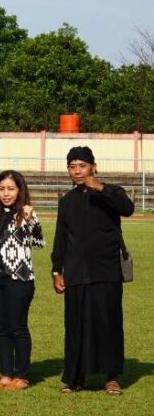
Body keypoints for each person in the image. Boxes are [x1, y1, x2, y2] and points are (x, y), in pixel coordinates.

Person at [52, 146, 134, 395]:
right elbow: (61, 239)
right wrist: (57, 271)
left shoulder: (111, 193)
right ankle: (75, 378)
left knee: (108, 323)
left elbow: (127, 208)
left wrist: (99, 187)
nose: (77, 171)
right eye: (72, 166)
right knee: (75, 326)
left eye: (82, 166)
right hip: (76, 272)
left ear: (93, 167)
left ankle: (111, 377)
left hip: (106, 270)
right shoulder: (67, 201)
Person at [0, 170, 44, 391]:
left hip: (19, 279)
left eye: (11, 189)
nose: (6, 193)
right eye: (1, 189)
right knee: (0, 327)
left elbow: (39, 243)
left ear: (20, 190)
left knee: (17, 327)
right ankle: (6, 373)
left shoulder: (26, 213)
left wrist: (30, 221)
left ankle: (22, 375)